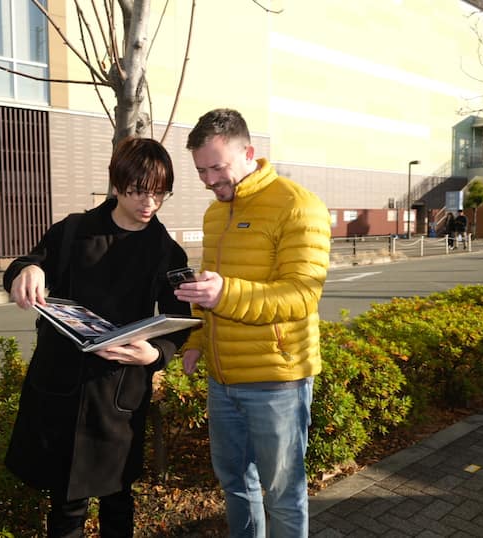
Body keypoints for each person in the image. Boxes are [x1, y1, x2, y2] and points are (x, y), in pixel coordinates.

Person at [3, 137, 191, 537]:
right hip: (61, 386)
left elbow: (180, 322)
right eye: (138, 191)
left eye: (160, 194)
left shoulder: (166, 252)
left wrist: (154, 355)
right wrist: (27, 270)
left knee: (118, 498)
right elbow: (29, 263)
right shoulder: (73, 231)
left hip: (119, 392)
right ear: (116, 184)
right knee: (65, 504)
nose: (149, 204)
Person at [175, 108, 331, 537]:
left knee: (282, 493)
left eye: (217, 167)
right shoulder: (214, 213)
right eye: (201, 170)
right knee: (234, 484)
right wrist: (196, 341)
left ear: (249, 153)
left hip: (277, 380)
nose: (209, 180)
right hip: (222, 379)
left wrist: (225, 293)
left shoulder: (298, 206)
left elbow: (301, 295)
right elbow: (207, 288)